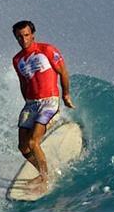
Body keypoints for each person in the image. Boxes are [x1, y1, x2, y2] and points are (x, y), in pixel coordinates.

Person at [11, 20, 75, 189]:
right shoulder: (17, 60)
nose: (23, 39)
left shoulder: (47, 50)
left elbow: (63, 72)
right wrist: (26, 103)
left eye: (26, 35)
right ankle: (44, 170)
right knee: (23, 147)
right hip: (31, 104)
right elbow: (23, 83)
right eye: (19, 37)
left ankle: (44, 178)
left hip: (49, 101)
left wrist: (66, 94)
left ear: (33, 35)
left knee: (33, 143)